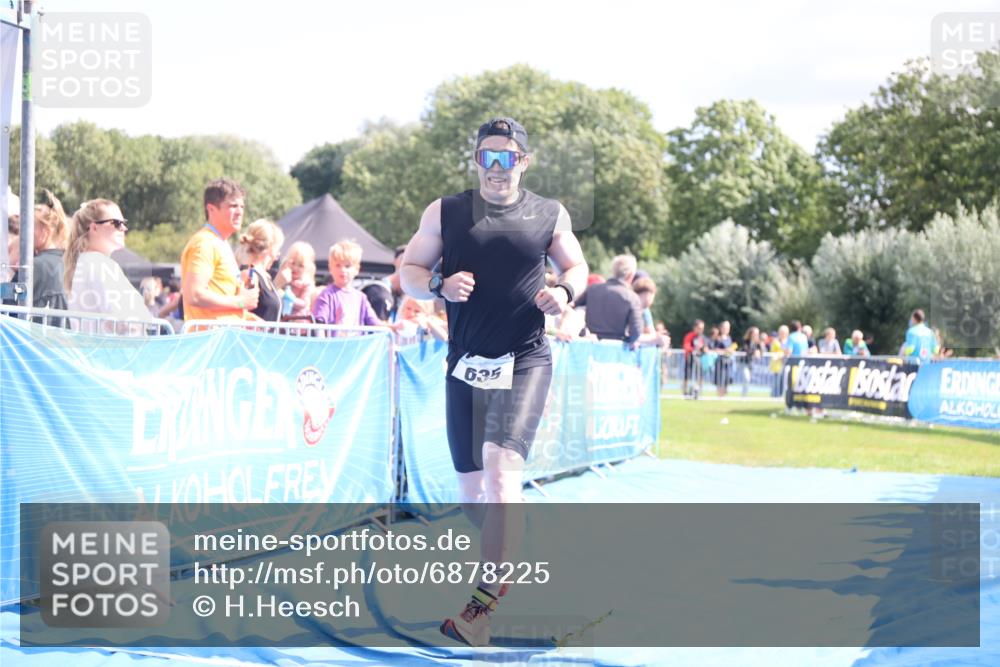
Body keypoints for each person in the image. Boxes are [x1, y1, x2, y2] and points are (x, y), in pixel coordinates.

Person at [399, 117, 587, 646]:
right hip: (465, 365)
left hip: (525, 359)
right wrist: (439, 283)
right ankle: (510, 548)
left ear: (523, 162)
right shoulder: (446, 211)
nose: (496, 168)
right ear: (477, 160)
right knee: (473, 498)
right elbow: (410, 269)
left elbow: (577, 268)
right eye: (487, 157)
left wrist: (566, 293)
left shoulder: (549, 214)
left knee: (503, 468)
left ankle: (480, 608)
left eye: (506, 158)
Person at [63, 199, 152, 334]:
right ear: (94, 228)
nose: (123, 228)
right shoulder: (99, 264)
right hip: (116, 351)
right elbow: (123, 321)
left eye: (124, 223)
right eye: (116, 223)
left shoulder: (86, 262)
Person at [180, 178, 260, 326]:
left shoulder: (221, 243)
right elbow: (194, 295)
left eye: (242, 206)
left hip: (224, 340)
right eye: (233, 206)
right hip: (211, 342)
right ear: (211, 209)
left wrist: (252, 320)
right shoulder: (204, 243)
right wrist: (242, 302)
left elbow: (223, 304)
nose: (239, 212)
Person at [571, 254, 643, 344]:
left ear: (614, 271)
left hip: (590, 345)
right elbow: (636, 332)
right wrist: (627, 342)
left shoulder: (593, 289)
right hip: (616, 349)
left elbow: (571, 307)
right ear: (631, 275)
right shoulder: (633, 298)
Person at [312, 239, 382, 331]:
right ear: (330, 268)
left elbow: (375, 324)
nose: (343, 270)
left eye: (347, 266)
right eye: (338, 265)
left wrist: (393, 327)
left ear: (357, 269)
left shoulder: (361, 298)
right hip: (334, 345)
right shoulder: (326, 296)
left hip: (356, 345)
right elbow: (318, 326)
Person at [236, 219, 284, 322]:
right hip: (254, 337)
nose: (279, 254)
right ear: (270, 248)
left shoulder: (267, 277)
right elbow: (240, 309)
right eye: (278, 248)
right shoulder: (250, 275)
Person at [32, 190, 70, 320]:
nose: (23, 233)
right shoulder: (70, 261)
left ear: (46, 230)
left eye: (30, 227)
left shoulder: (35, 265)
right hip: (66, 338)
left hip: (36, 338)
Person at [275, 241, 318, 320]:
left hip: (297, 320)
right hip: (282, 318)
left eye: (300, 266)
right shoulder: (284, 278)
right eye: (293, 263)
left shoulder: (306, 284)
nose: (295, 268)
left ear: (307, 268)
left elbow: (304, 303)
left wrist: (287, 297)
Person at [681, 319, 707, 397]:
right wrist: (695, 350)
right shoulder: (689, 336)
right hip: (689, 359)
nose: (701, 330)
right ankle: (685, 392)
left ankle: (698, 391)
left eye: (702, 328)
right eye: (699, 328)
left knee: (699, 376)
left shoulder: (702, 337)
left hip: (698, 359)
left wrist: (704, 349)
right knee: (687, 376)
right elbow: (686, 346)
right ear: (695, 328)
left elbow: (705, 347)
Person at [741, 326, 768, 396]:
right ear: (751, 334)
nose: (756, 335)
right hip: (744, 363)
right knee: (746, 378)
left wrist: (761, 346)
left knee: (748, 379)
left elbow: (763, 352)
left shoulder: (757, 343)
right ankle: (744, 396)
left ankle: (745, 395)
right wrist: (754, 352)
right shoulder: (745, 341)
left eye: (757, 334)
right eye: (755, 334)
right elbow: (745, 350)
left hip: (751, 364)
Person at [711, 320, 735, 397]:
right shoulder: (718, 338)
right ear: (721, 328)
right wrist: (725, 350)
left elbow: (731, 348)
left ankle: (724, 395)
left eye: (728, 328)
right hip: (720, 361)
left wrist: (731, 350)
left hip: (728, 361)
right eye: (725, 328)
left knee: (727, 379)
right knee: (720, 378)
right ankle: (719, 395)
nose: (727, 329)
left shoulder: (729, 338)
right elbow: (715, 349)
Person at [769, 324, 791, 397]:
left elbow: (789, 352)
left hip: (786, 364)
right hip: (777, 366)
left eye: (784, 332)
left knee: (783, 383)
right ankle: (774, 396)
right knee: (776, 383)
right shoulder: (775, 341)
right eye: (781, 332)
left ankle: (780, 396)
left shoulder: (789, 341)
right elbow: (773, 352)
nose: (782, 334)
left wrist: (782, 354)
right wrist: (781, 354)